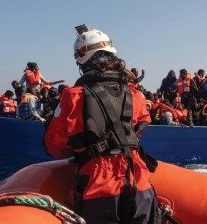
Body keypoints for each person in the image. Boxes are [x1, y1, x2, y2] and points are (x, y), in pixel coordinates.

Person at [44, 24, 161, 224]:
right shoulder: (135, 94)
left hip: (99, 186)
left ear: (82, 59)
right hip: (139, 181)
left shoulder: (73, 97)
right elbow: (139, 129)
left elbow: (55, 146)